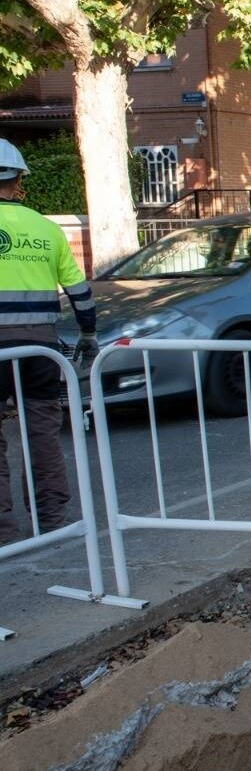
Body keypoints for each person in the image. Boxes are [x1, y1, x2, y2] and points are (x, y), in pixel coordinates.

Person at [0, 138, 95, 544]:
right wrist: (89, 334)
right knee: (41, 432)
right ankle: (51, 520)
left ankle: (3, 532)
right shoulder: (47, 229)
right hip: (40, 349)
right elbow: (80, 293)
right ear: (19, 179)